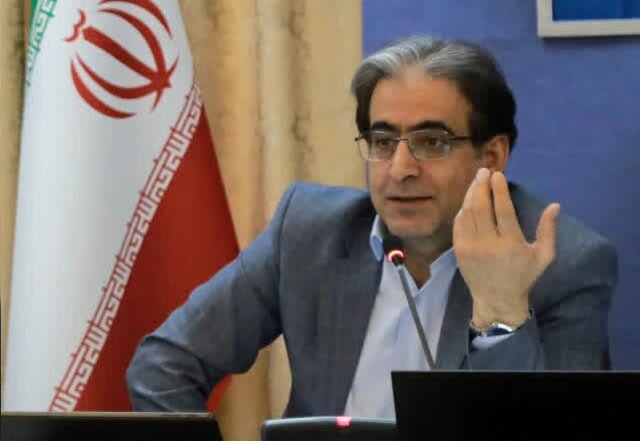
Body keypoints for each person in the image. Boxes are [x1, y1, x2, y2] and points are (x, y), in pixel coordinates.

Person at [126, 35, 618, 419]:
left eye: (432, 141)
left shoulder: (564, 265)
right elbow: (163, 366)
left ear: (491, 156)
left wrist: (501, 314)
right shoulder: (307, 233)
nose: (400, 169)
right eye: (383, 141)